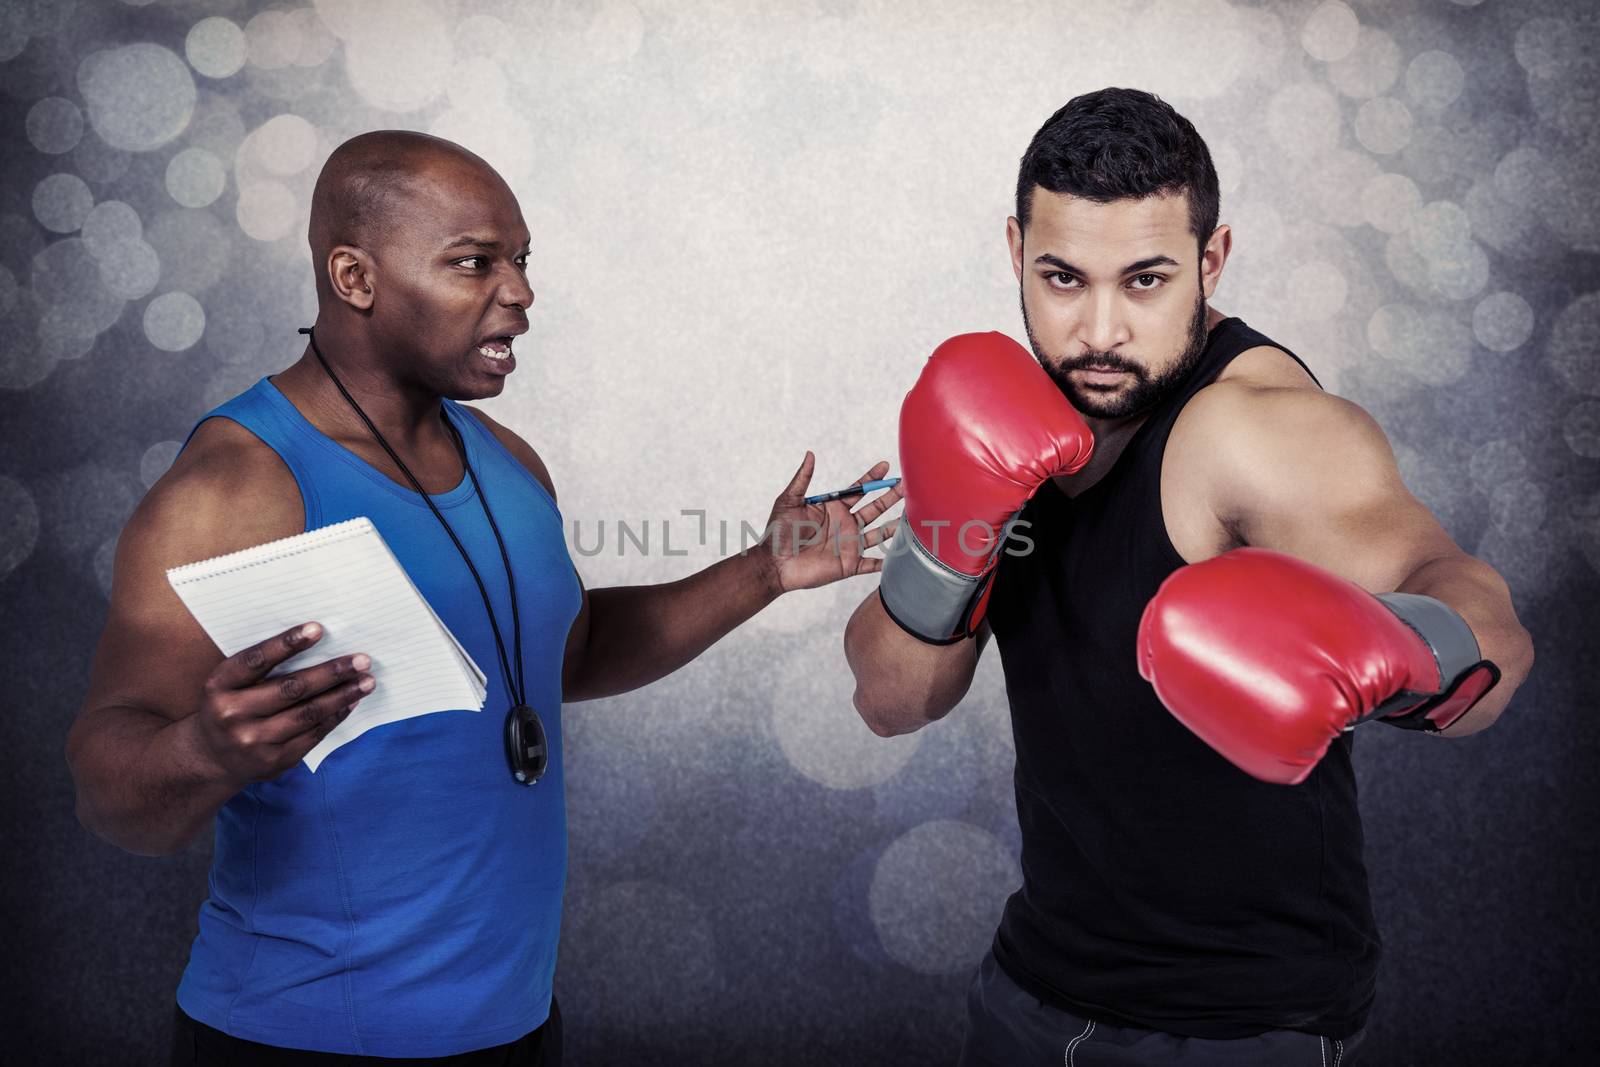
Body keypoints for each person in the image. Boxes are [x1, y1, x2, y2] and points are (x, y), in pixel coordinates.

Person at [66, 131, 900, 1065]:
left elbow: (568, 654)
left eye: (522, 260)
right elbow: (108, 786)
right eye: (475, 263)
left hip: (513, 1028)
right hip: (298, 1037)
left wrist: (763, 571)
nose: (523, 295)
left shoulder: (507, 458)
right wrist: (204, 750)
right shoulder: (233, 485)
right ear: (354, 277)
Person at [844, 88, 1534, 1065]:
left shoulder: (1248, 427)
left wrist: (1408, 650)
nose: (1097, 331)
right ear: (1014, 251)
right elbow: (888, 696)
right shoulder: (998, 410)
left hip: (1242, 1026)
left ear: (1210, 262)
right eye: (1061, 277)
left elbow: (1487, 627)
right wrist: (952, 538)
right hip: (1032, 987)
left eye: (1145, 280)